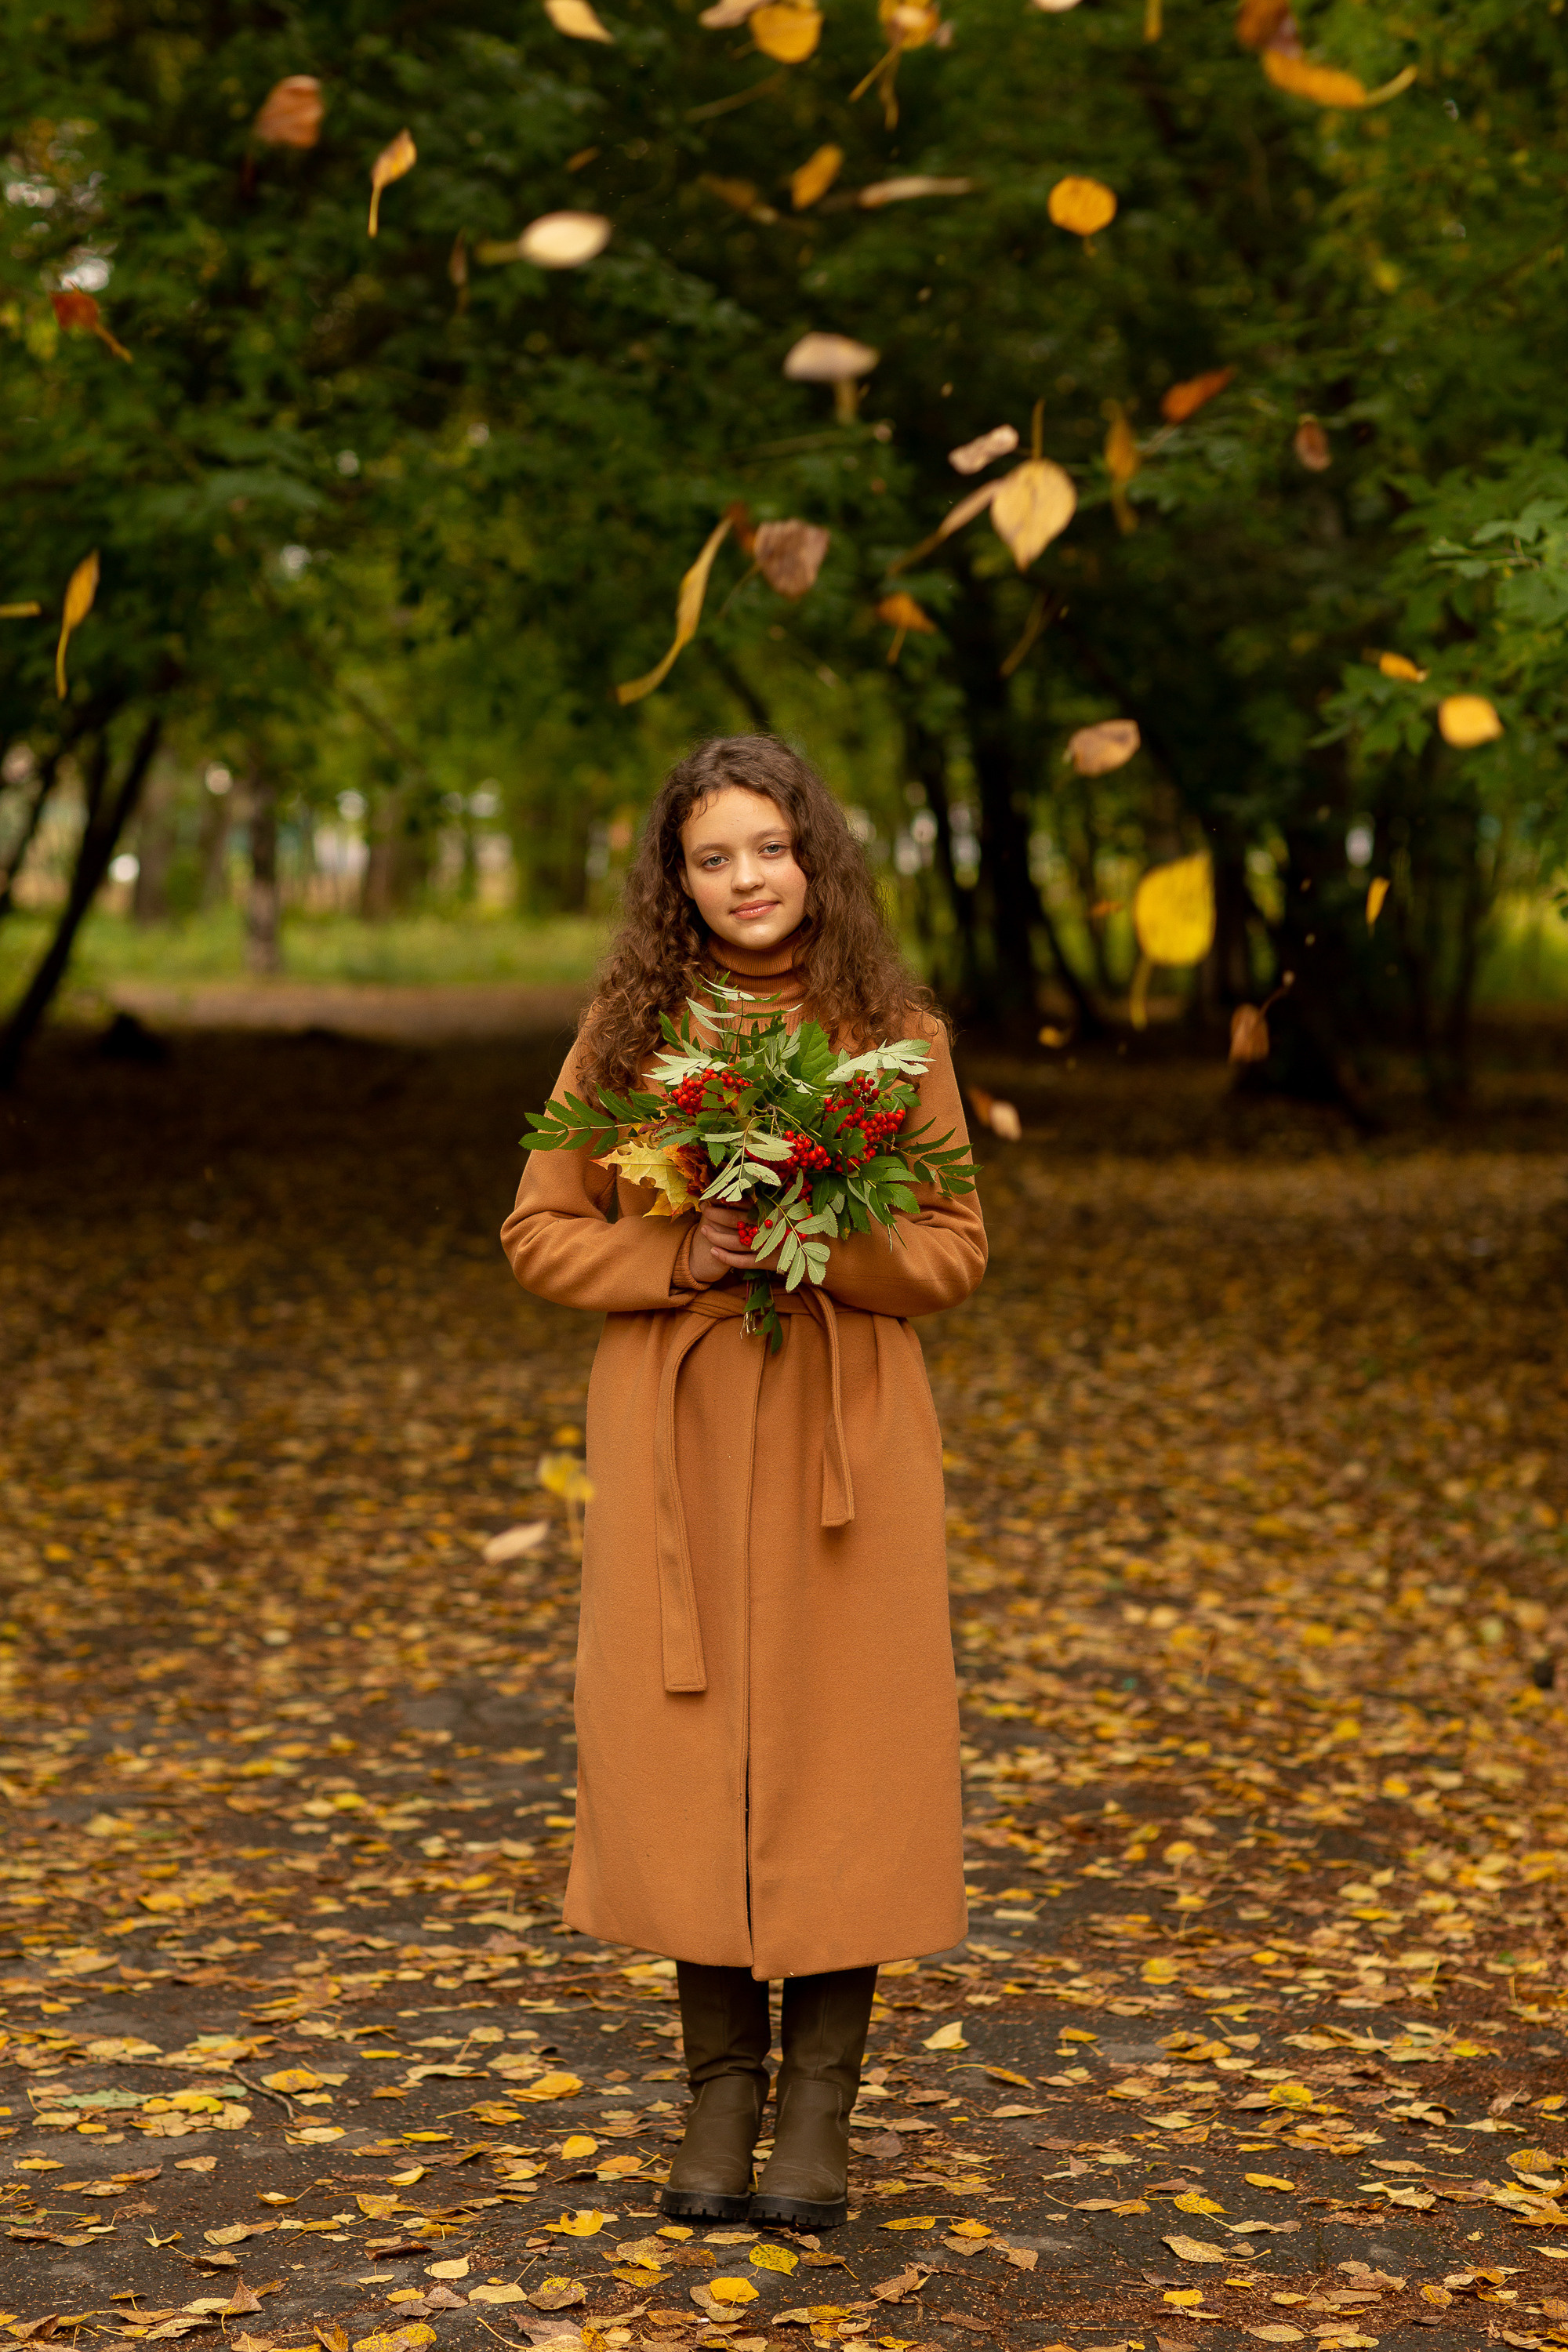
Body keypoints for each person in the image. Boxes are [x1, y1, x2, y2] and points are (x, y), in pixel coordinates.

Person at [501, 735, 986, 2230]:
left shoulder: (894, 1029)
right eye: (711, 858)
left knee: (849, 1748)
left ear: (812, 855)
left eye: (767, 849)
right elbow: (536, 1229)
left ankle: (819, 2112)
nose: (744, 880)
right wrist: (678, 1251)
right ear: (676, 880)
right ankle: (721, 2096)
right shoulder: (627, 1030)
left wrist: (817, 1230)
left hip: (848, 1417)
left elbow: (956, 1248)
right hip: (682, 1412)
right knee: (684, 1740)